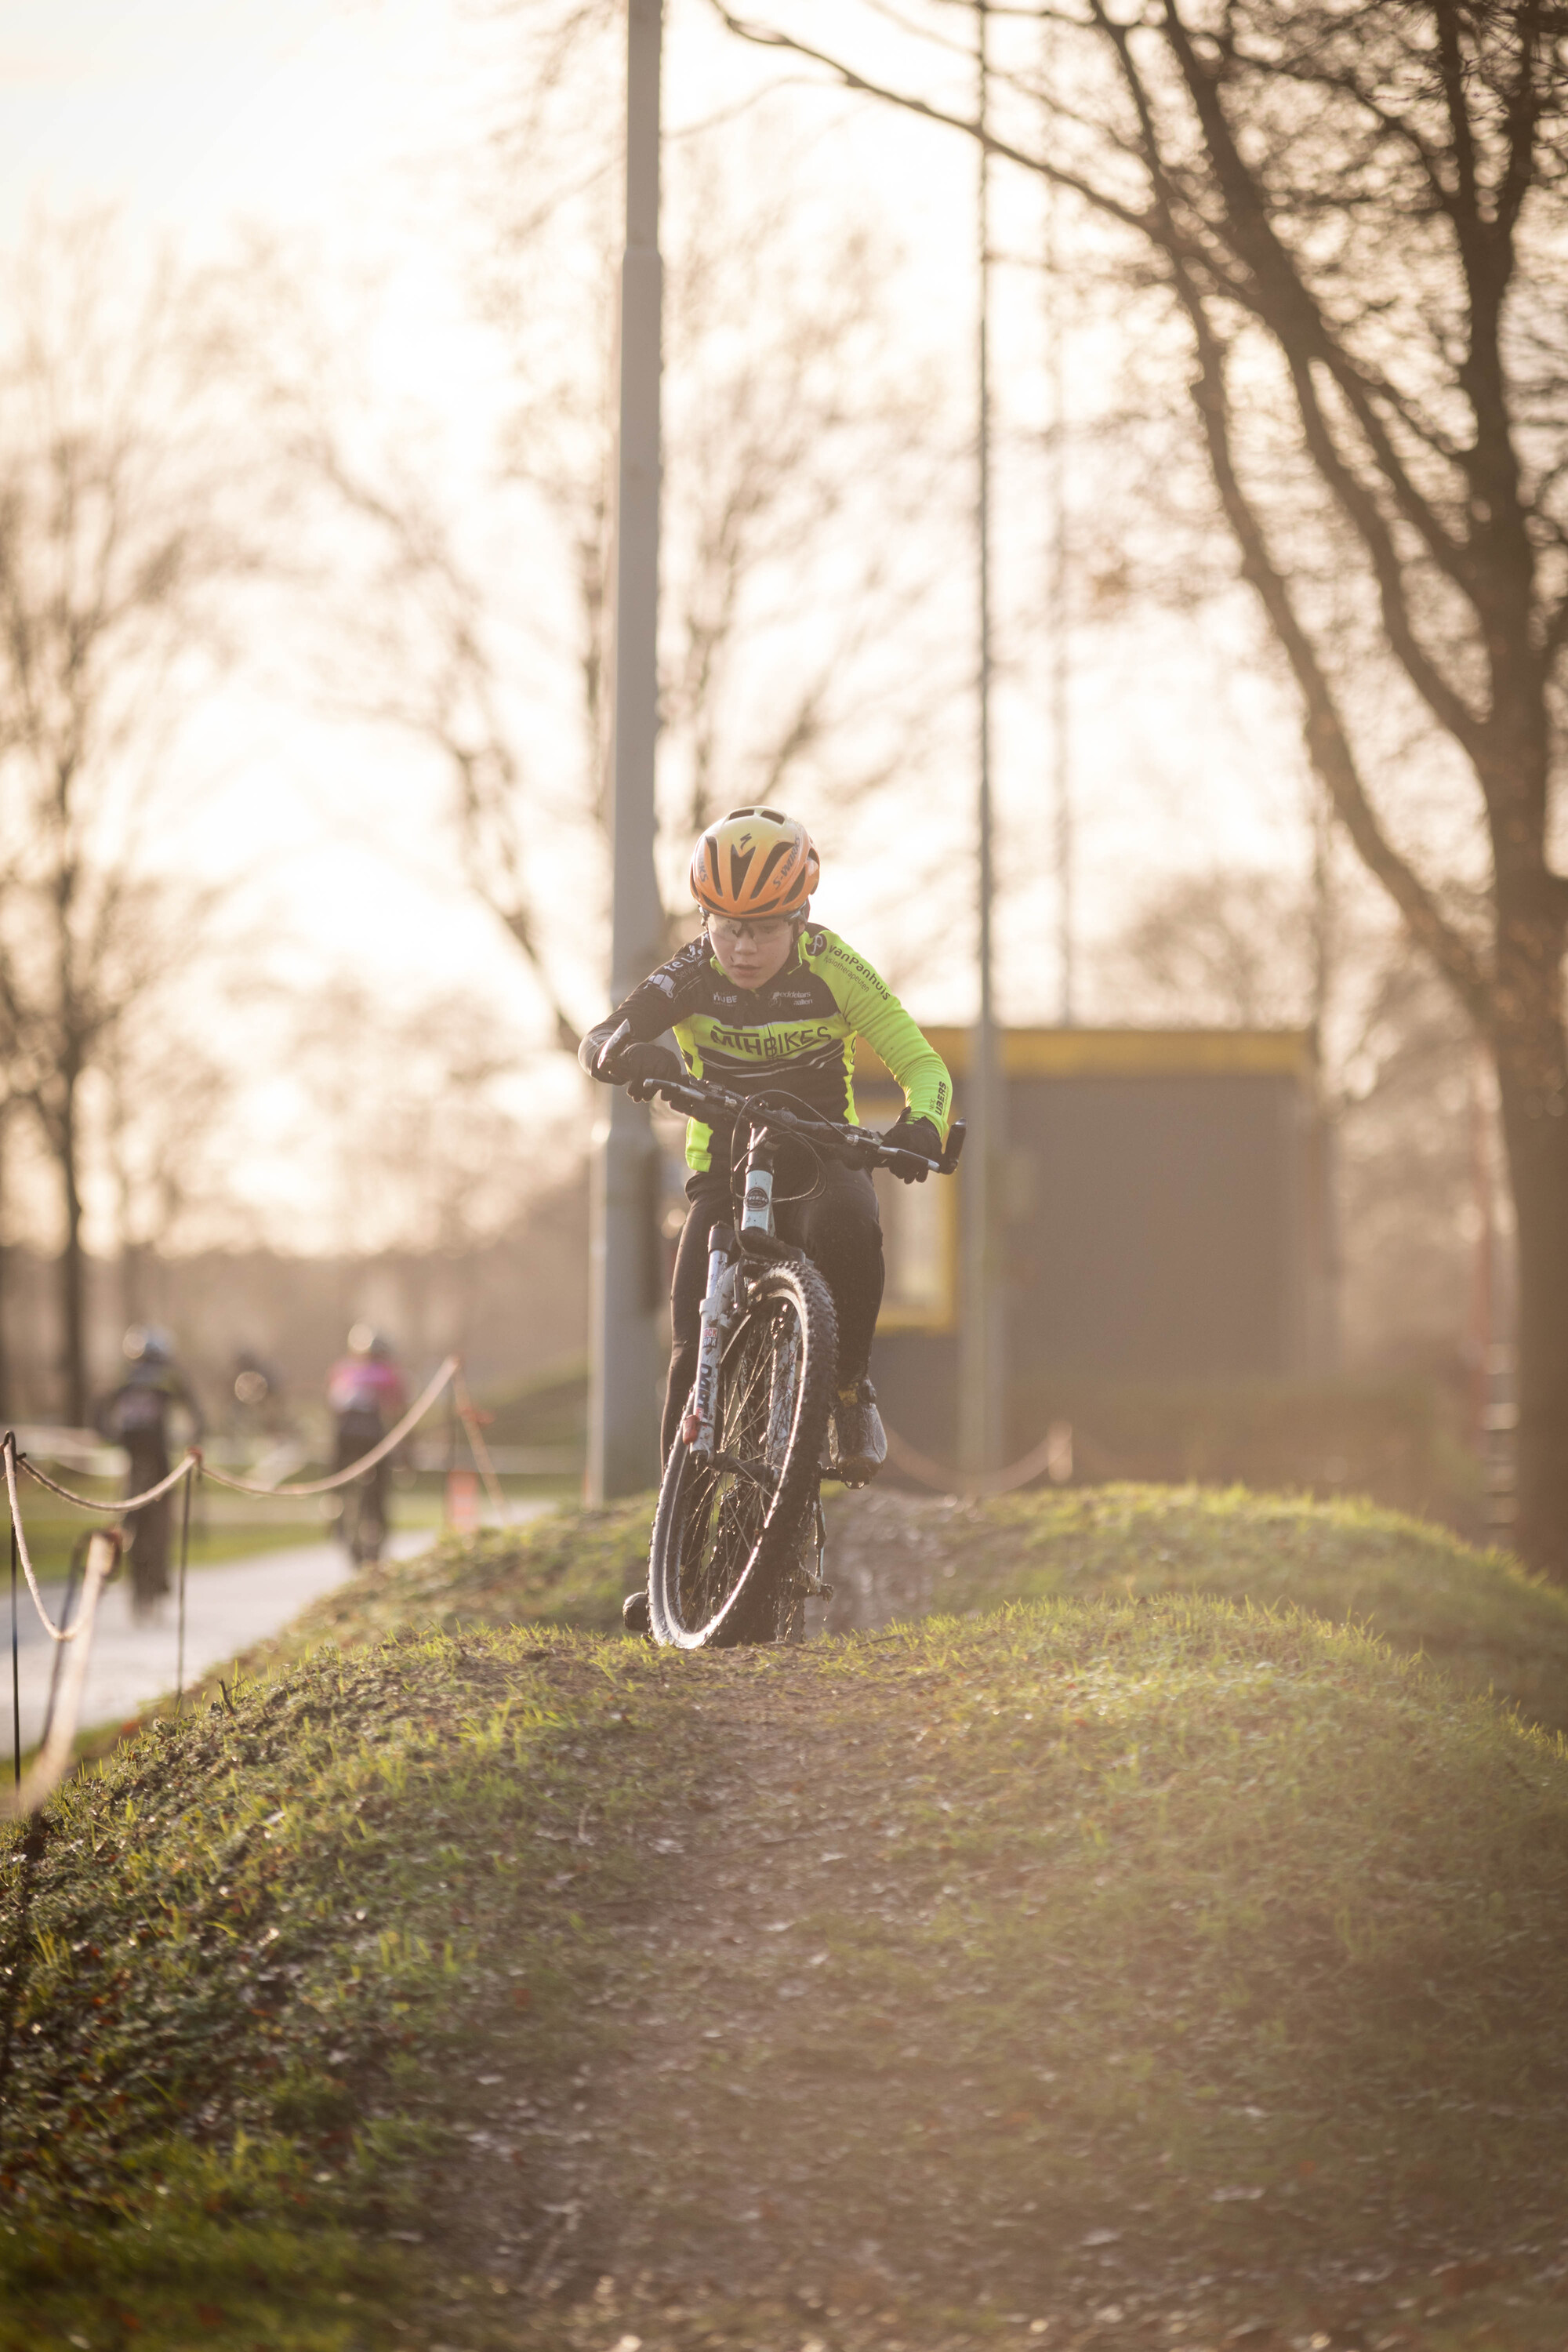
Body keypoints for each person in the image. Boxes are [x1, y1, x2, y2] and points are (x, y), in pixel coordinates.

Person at [581, 804, 953, 1501]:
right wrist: (625, 1056)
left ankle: (847, 1391)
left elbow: (926, 1069)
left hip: (820, 1151)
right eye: (728, 929)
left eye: (764, 930)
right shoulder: (689, 974)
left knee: (850, 1229)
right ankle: (675, 1536)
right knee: (692, 1351)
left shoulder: (835, 969)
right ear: (705, 923)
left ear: (800, 920)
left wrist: (921, 1127)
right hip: (722, 1167)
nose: (744, 948)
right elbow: (603, 1036)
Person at [95, 1326, 204, 1619]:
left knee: (130, 1516)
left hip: (132, 1454)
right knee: (161, 1520)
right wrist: (193, 1438)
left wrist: (110, 1434)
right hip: (158, 1455)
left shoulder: (125, 1376)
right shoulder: (168, 1375)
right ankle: (157, 1581)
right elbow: (194, 1409)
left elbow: (99, 1408)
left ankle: (133, 1578)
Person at [325, 1325, 407, 1559]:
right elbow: (398, 1406)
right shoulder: (388, 1373)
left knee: (339, 1471)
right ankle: (371, 1519)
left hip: (345, 1434)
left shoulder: (341, 1369)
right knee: (380, 1481)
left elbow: (332, 1403)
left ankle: (334, 1502)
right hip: (372, 1433)